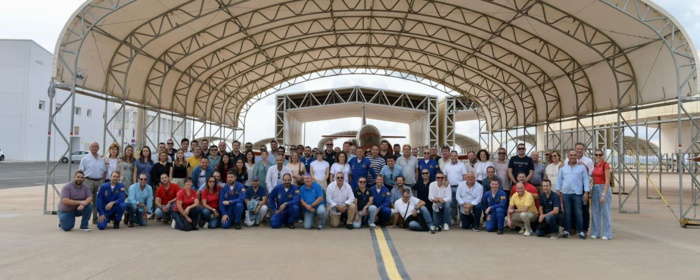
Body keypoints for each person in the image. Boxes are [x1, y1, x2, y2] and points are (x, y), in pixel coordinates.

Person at [556, 149, 590, 239]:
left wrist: (586, 192)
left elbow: (586, 180)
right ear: (568, 156)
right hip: (566, 193)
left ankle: (580, 231)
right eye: (571, 155)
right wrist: (558, 191)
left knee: (578, 213)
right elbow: (559, 180)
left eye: (574, 155)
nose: (573, 157)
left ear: (577, 156)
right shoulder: (563, 168)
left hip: (577, 193)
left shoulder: (581, 167)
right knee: (567, 213)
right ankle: (566, 230)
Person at [80, 141, 107, 225]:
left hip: (99, 181)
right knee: (87, 201)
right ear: (90, 148)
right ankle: (85, 221)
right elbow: (81, 171)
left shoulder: (101, 159)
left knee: (97, 201)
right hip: (88, 181)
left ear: (98, 148)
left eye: (96, 146)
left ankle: (95, 219)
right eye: (93, 146)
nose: (94, 148)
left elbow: (104, 171)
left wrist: (103, 182)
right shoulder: (85, 159)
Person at [591, 149, 613, 240]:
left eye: (600, 155)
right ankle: (596, 232)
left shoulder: (606, 165)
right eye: (596, 155)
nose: (598, 157)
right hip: (595, 188)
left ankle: (607, 233)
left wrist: (604, 194)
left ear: (603, 156)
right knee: (595, 211)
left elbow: (608, 181)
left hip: (603, 188)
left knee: (605, 211)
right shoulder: (595, 165)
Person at [443, 151, 467, 225]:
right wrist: (445, 181)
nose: (453, 157)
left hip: (459, 187)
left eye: (455, 156)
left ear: (457, 156)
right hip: (450, 187)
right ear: (450, 156)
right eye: (452, 156)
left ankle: (462, 220)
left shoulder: (462, 165)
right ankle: (454, 219)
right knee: (452, 204)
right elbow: (444, 176)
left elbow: (464, 176)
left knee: (460, 204)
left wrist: (463, 186)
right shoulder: (447, 165)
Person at [575, 142, 594, 236]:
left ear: (584, 150)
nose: (579, 150)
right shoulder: (569, 159)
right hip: (573, 187)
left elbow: (591, 174)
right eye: (577, 148)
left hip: (583, 187)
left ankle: (585, 228)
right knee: (574, 208)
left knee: (584, 208)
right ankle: (574, 227)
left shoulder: (588, 160)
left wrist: (584, 166)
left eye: (581, 149)